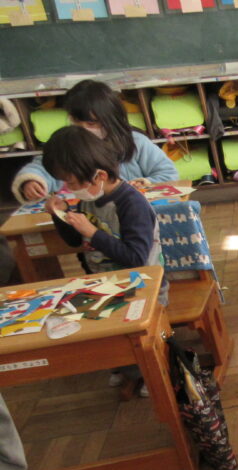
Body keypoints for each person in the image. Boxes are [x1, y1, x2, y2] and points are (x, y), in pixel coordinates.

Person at [43, 126, 167, 397]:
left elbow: (136, 258)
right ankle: (126, 366)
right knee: (79, 321)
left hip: (144, 287)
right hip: (107, 283)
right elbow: (74, 241)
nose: (68, 189)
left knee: (128, 333)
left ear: (99, 176)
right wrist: (60, 216)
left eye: (72, 183)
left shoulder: (131, 203)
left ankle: (150, 370)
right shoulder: (90, 198)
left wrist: (93, 233)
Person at [12, 80, 177, 204]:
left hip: (132, 212)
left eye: (91, 124)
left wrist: (146, 183)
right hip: (87, 216)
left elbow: (169, 174)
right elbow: (44, 167)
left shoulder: (136, 142)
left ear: (111, 119)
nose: (84, 129)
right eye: (77, 121)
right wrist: (32, 181)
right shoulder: (67, 145)